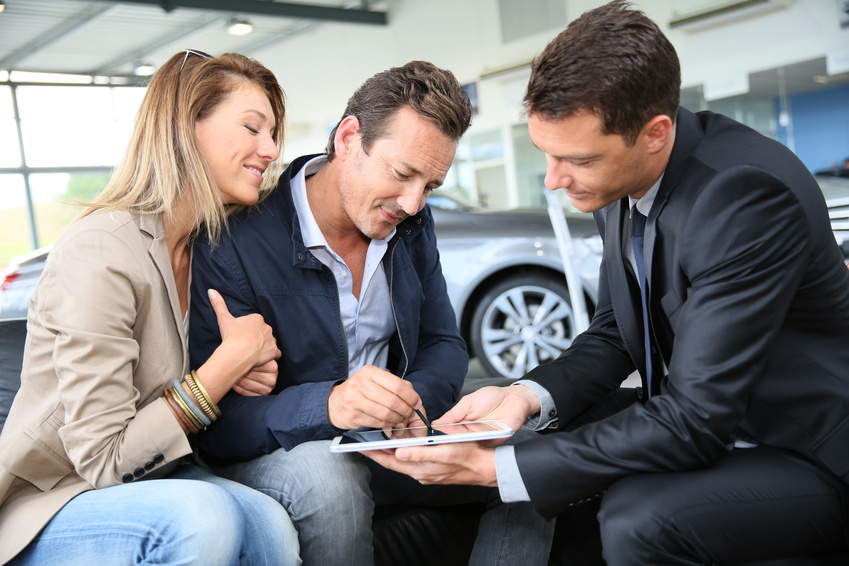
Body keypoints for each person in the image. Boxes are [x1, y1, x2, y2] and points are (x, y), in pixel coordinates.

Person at [365, 3, 849, 565]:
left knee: (635, 519)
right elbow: (616, 331)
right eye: (546, 154)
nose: (553, 180)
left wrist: (494, 471)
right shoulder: (620, 180)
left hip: (806, 450)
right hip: (710, 415)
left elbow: (694, 420)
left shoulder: (743, 196)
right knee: (519, 437)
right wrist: (522, 398)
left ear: (655, 133)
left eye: (576, 159)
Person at [188, 60, 554, 565]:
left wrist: (411, 406)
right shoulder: (234, 241)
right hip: (284, 456)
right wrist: (330, 406)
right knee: (329, 479)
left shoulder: (411, 224)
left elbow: (443, 344)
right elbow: (219, 425)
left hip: (387, 443)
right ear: (347, 138)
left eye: (430, 186)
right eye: (403, 174)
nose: (412, 202)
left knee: (529, 459)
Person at [0, 50, 301, 565]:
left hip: (164, 478)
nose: (270, 149)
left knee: (269, 524)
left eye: (272, 133)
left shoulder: (205, 248)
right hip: (59, 500)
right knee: (201, 516)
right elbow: (103, 459)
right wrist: (224, 367)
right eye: (253, 128)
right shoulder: (102, 250)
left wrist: (243, 368)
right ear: (187, 128)